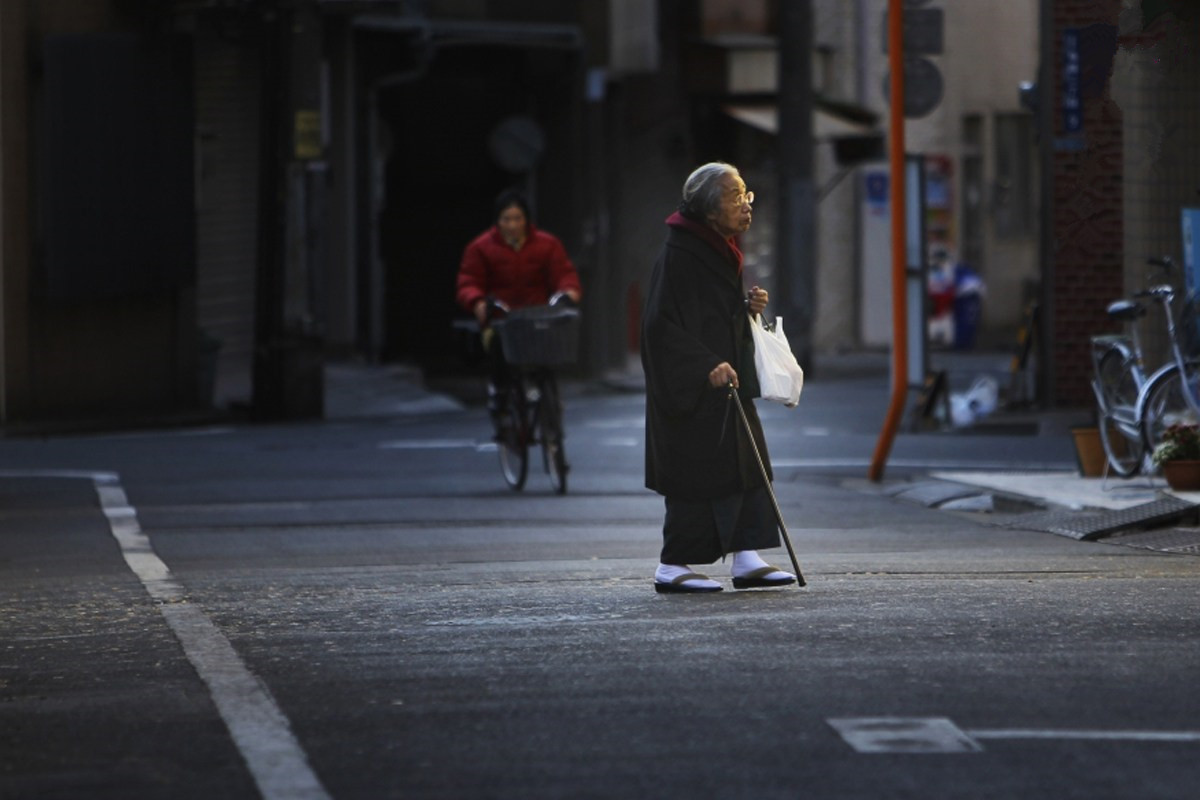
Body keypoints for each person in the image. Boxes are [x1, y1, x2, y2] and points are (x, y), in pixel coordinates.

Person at [640, 162, 797, 594]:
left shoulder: (713, 246)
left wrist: (746, 306)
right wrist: (703, 364)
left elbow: (707, 312)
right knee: (696, 474)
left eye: (747, 194)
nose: (746, 205)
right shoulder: (680, 255)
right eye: (735, 195)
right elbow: (660, 326)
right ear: (710, 208)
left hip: (724, 383)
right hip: (698, 385)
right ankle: (672, 566)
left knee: (746, 464)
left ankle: (747, 558)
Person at [455, 189, 582, 426]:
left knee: (548, 356)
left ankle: (550, 408)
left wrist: (568, 291)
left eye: (517, 218)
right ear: (497, 221)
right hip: (501, 319)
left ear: (526, 220)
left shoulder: (547, 245)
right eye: (506, 219)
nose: (512, 225)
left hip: (537, 318)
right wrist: (477, 301)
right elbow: (468, 281)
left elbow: (564, 274)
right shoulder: (480, 248)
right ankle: (501, 397)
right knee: (497, 353)